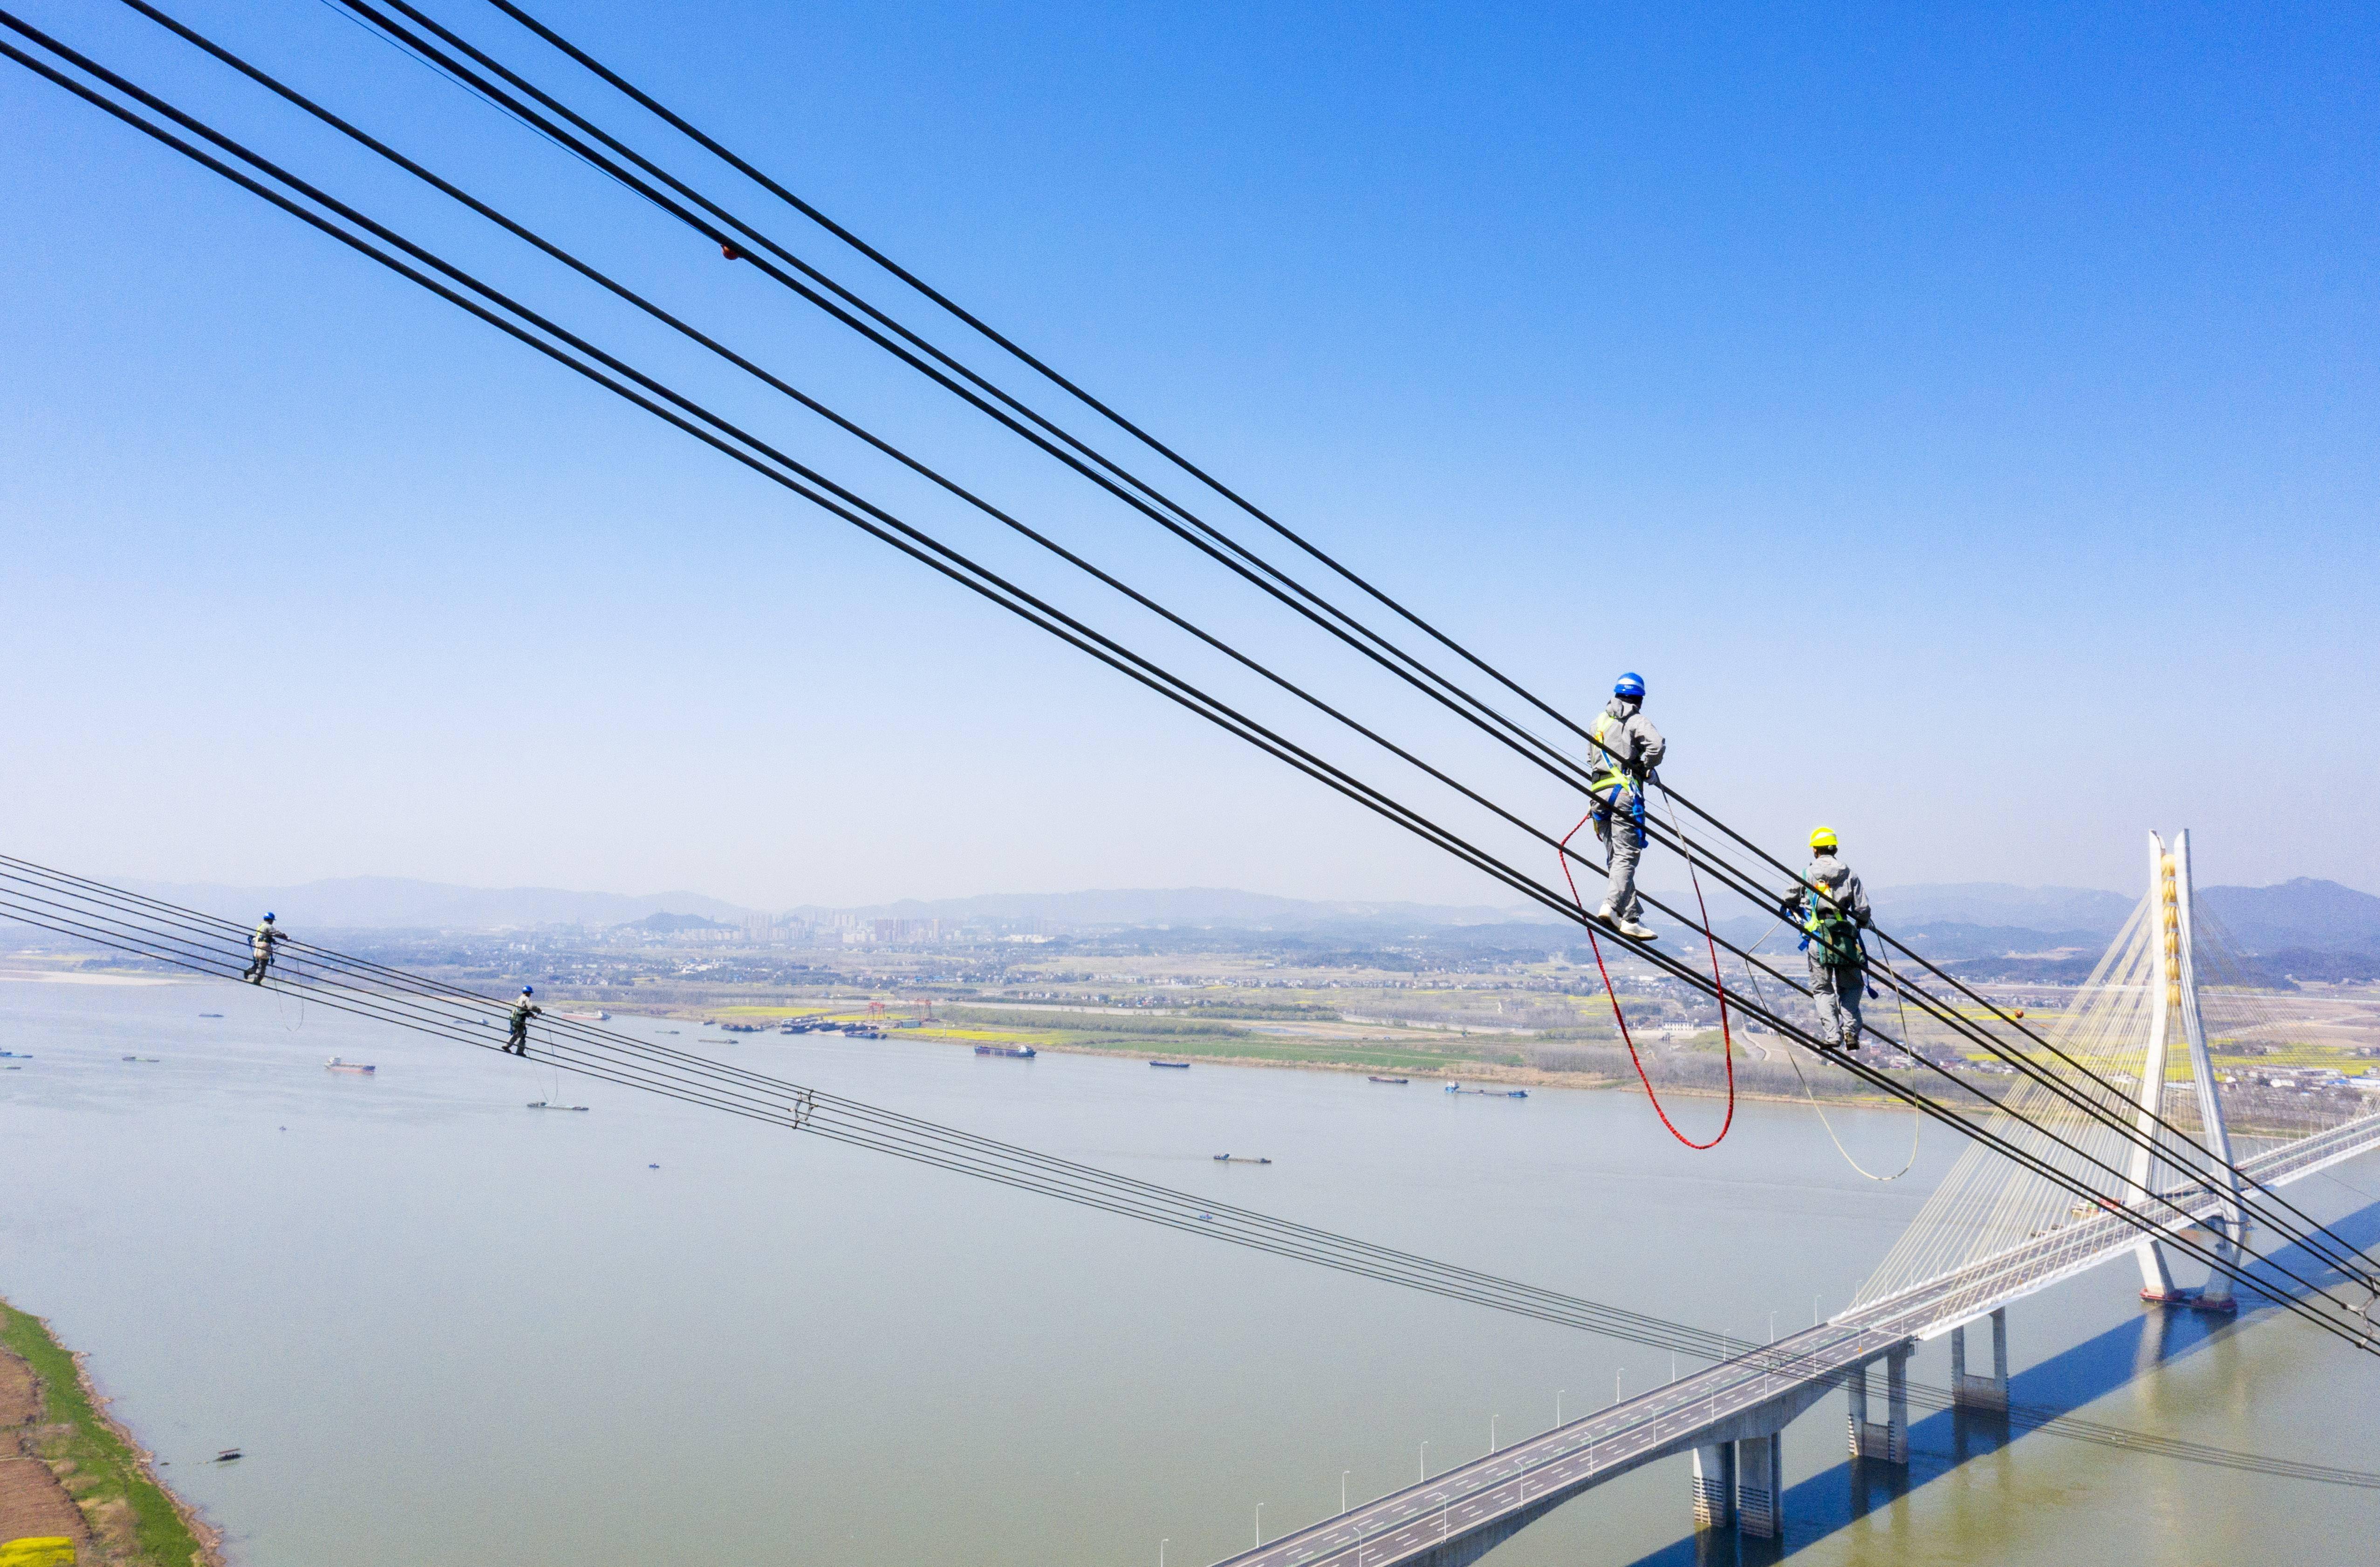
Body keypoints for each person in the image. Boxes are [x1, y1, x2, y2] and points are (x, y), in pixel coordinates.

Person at [1586, 672, 1665, 940]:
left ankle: (1630, 919)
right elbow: (1656, 746)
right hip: (1624, 793)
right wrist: (1645, 767)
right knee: (1626, 855)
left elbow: (1590, 758)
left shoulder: (1598, 722)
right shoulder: (1636, 720)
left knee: (1616, 857)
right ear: (1639, 699)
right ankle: (1611, 906)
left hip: (1598, 793)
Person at [1778, 828, 1872, 1050]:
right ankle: (1851, 1032)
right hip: (1845, 939)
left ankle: (1832, 1036)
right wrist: (1861, 923)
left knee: (1822, 989)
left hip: (1818, 938)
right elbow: (1862, 910)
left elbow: (1787, 898)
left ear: (1815, 850)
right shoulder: (1850, 875)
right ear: (1835, 849)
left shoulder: (1807, 874)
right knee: (1851, 987)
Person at [242, 913, 287, 984]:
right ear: (270, 920)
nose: (273, 922)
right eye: (272, 920)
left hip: (258, 948)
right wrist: (286, 937)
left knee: (258, 964)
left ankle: (248, 971)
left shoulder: (260, 926)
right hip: (264, 949)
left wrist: (273, 941)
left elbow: (264, 936)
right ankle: (257, 981)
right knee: (263, 966)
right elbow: (277, 933)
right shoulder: (269, 927)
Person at [505, 986, 541, 1056]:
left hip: (514, 1019)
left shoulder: (520, 999)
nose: (530, 995)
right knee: (522, 1036)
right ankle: (520, 1052)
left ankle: (506, 1046)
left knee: (516, 1034)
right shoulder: (526, 999)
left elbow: (522, 1010)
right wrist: (539, 1011)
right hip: (520, 1020)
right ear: (528, 993)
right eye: (530, 993)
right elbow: (531, 1007)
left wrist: (532, 1015)